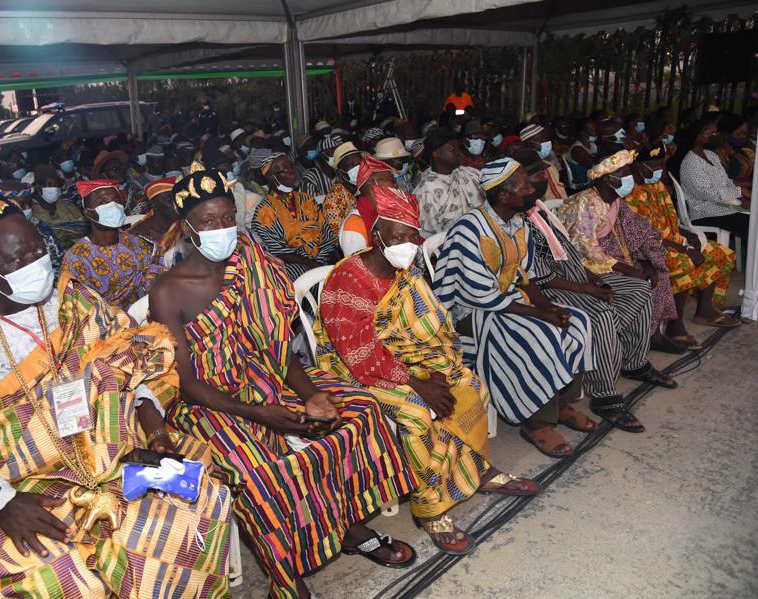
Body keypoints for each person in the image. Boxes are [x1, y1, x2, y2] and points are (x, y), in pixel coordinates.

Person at [0, 199, 232, 598]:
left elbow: (140, 360)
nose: (35, 264)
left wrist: (153, 430)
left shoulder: (75, 301)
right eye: (17, 259)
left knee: (197, 491)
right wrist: (1, 503)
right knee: (57, 575)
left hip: (120, 460)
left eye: (37, 250)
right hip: (34, 487)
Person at [149, 166, 417, 599]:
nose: (221, 230)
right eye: (207, 223)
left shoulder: (252, 263)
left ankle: (346, 526)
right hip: (210, 404)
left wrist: (312, 394)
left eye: (226, 219)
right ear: (186, 228)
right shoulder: (168, 291)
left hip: (270, 378)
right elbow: (186, 383)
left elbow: (279, 348)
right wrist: (260, 415)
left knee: (361, 414)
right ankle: (286, 576)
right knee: (264, 474)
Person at [315, 185, 538, 555]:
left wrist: (434, 367)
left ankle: (477, 468)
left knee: (470, 384)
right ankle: (429, 507)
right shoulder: (349, 278)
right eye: (397, 235)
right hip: (355, 370)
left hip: (405, 359)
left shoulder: (405, 268)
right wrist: (417, 382)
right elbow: (358, 353)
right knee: (419, 415)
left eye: (411, 235)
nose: (407, 242)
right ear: (376, 235)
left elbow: (428, 321)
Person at [434, 159, 593, 458]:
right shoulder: (470, 229)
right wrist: (540, 315)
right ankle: (536, 423)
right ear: (503, 196)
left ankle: (561, 403)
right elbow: (484, 297)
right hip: (471, 312)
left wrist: (550, 308)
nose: (532, 189)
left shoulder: (518, 222)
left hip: (511, 302)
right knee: (539, 335)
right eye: (525, 186)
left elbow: (527, 275)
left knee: (577, 321)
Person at [517, 149, 670, 431]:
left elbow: (570, 253)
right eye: (536, 175)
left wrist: (593, 279)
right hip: (548, 288)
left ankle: (633, 361)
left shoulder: (541, 210)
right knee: (600, 316)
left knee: (638, 288)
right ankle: (604, 394)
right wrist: (586, 288)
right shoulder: (517, 222)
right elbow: (541, 277)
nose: (543, 178)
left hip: (577, 275)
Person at [561, 150, 686, 353]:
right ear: (607, 178)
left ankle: (652, 336)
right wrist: (626, 269)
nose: (629, 178)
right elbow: (585, 247)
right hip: (588, 266)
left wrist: (647, 262)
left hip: (616, 256)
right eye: (624, 173)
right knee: (638, 284)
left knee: (658, 274)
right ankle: (621, 342)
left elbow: (640, 229)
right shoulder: (585, 203)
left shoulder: (616, 200)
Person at [627, 144, 738, 338]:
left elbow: (669, 220)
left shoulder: (657, 186)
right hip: (647, 248)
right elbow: (645, 236)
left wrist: (686, 234)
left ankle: (704, 311)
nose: (660, 169)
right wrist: (684, 249)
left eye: (661, 163)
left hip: (673, 241)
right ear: (638, 166)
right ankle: (674, 325)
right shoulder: (629, 194)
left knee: (721, 254)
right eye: (654, 165)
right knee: (684, 262)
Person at [63, 180, 163, 310]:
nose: (113, 206)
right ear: (88, 213)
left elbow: (160, 281)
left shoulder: (141, 244)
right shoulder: (77, 259)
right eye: (103, 202)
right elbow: (82, 309)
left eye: (116, 201)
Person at [251, 153, 338, 281]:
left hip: (322, 255)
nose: (292, 172)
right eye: (284, 170)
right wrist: (312, 263)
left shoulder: (306, 199)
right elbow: (280, 252)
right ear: (272, 177)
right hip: (295, 264)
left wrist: (331, 256)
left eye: (291, 167)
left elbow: (325, 232)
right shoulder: (264, 213)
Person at [673, 117, 750, 251]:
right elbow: (708, 194)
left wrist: (741, 198)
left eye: (717, 133)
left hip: (723, 206)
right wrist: (740, 191)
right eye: (712, 134)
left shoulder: (710, 155)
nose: (717, 136)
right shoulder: (691, 163)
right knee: (751, 224)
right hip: (704, 212)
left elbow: (725, 182)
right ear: (699, 137)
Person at [413, 127, 485, 239]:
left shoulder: (467, 173)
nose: (460, 153)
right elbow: (431, 237)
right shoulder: (427, 191)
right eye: (453, 149)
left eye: (458, 148)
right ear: (436, 153)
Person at [0, 179, 64, 274]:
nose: (27, 209)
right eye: (21, 205)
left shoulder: (40, 227)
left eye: (29, 204)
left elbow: (58, 261)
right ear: (3, 206)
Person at [127, 178, 186, 267]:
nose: (176, 203)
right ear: (154, 204)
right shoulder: (138, 235)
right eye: (169, 200)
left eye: (177, 198)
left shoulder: (184, 223)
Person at [31, 164, 86, 250]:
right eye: (49, 184)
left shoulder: (67, 205)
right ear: (38, 187)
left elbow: (82, 227)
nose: (54, 188)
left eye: (56, 185)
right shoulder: (33, 212)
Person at [323, 141, 364, 235]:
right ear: (341, 173)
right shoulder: (333, 201)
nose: (357, 168)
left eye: (359, 163)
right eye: (350, 165)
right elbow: (341, 237)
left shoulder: (370, 186)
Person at [519, 124, 566, 199]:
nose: (547, 142)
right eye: (542, 140)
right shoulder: (541, 167)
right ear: (530, 144)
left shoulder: (549, 156)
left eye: (547, 138)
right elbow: (557, 197)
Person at [564, 118, 599, 191]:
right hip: (582, 183)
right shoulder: (577, 150)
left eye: (595, 128)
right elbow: (595, 166)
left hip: (591, 178)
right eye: (591, 129)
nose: (595, 132)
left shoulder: (592, 145)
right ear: (583, 133)